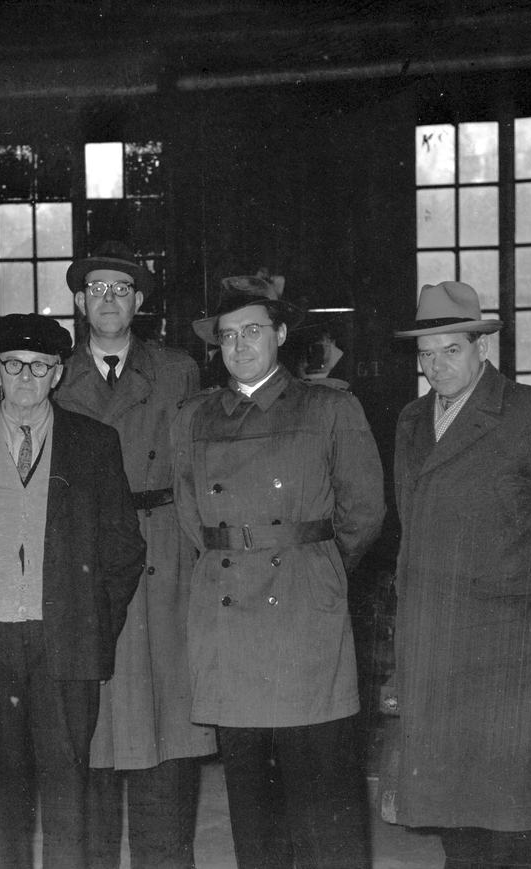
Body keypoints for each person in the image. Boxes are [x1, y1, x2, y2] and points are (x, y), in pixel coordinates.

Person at [0, 313, 146, 869]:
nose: (26, 377)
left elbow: (123, 549)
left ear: (58, 374)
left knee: (67, 793)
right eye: (14, 365)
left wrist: (90, 623)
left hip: (63, 643)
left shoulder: (94, 443)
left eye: (40, 367)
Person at [383, 281, 531, 869]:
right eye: (426, 354)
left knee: (518, 808)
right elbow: (411, 524)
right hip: (436, 634)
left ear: (482, 347)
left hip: (510, 639)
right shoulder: (412, 421)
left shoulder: (529, 412)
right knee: (455, 807)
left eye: (451, 350)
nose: (437, 366)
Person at [171, 277, 386, 869]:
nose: (240, 346)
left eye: (253, 331)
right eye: (228, 336)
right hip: (230, 620)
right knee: (251, 801)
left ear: (282, 334)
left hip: (302, 611)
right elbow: (192, 516)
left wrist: (315, 569)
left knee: (323, 796)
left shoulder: (329, 407)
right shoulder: (193, 417)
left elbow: (364, 512)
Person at [53, 242, 216, 869]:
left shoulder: (177, 370)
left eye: (121, 290)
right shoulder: (55, 373)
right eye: (96, 289)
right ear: (79, 302)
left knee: (166, 717)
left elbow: (197, 464)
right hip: (88, 549)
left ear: (139, 302)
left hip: (164, 550)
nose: (108, 300)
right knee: (94, 724)